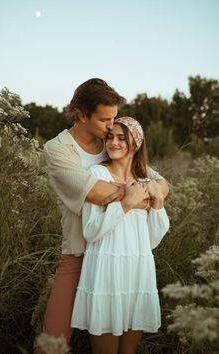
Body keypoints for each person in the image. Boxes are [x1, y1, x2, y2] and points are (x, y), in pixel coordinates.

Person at [42, 79, 169, 344]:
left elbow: (160, 183)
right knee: (53, 340)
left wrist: (147, 193)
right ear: (82, 115)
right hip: (79, 253)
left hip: (122, 255)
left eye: (114, 119)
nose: (112, 127)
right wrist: (136, 194)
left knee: (126, 324)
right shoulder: (58, 149)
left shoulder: (110, 143)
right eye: (105, 120)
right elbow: (95, 192)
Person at [71, 117, 170, 354]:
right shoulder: (97, 175)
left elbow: (152, 240)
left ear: (135, 143)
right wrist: (125, 204)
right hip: (106, 268)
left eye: (121, 138)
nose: (113, 142)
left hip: (137, 269)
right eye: (110, 137)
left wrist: (157, 201)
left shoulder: (146, 182)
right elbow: (91, 230)